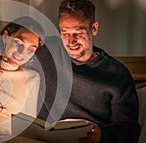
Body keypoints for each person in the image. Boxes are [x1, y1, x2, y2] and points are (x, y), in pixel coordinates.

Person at [37, 0, 140, 142]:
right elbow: (9, 46)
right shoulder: (46, 53)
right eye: (65, 33)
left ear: (94, 28)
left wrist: (101, 135)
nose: (71, 41)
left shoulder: (118, 76)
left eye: (78, 33)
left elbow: (128, 132)